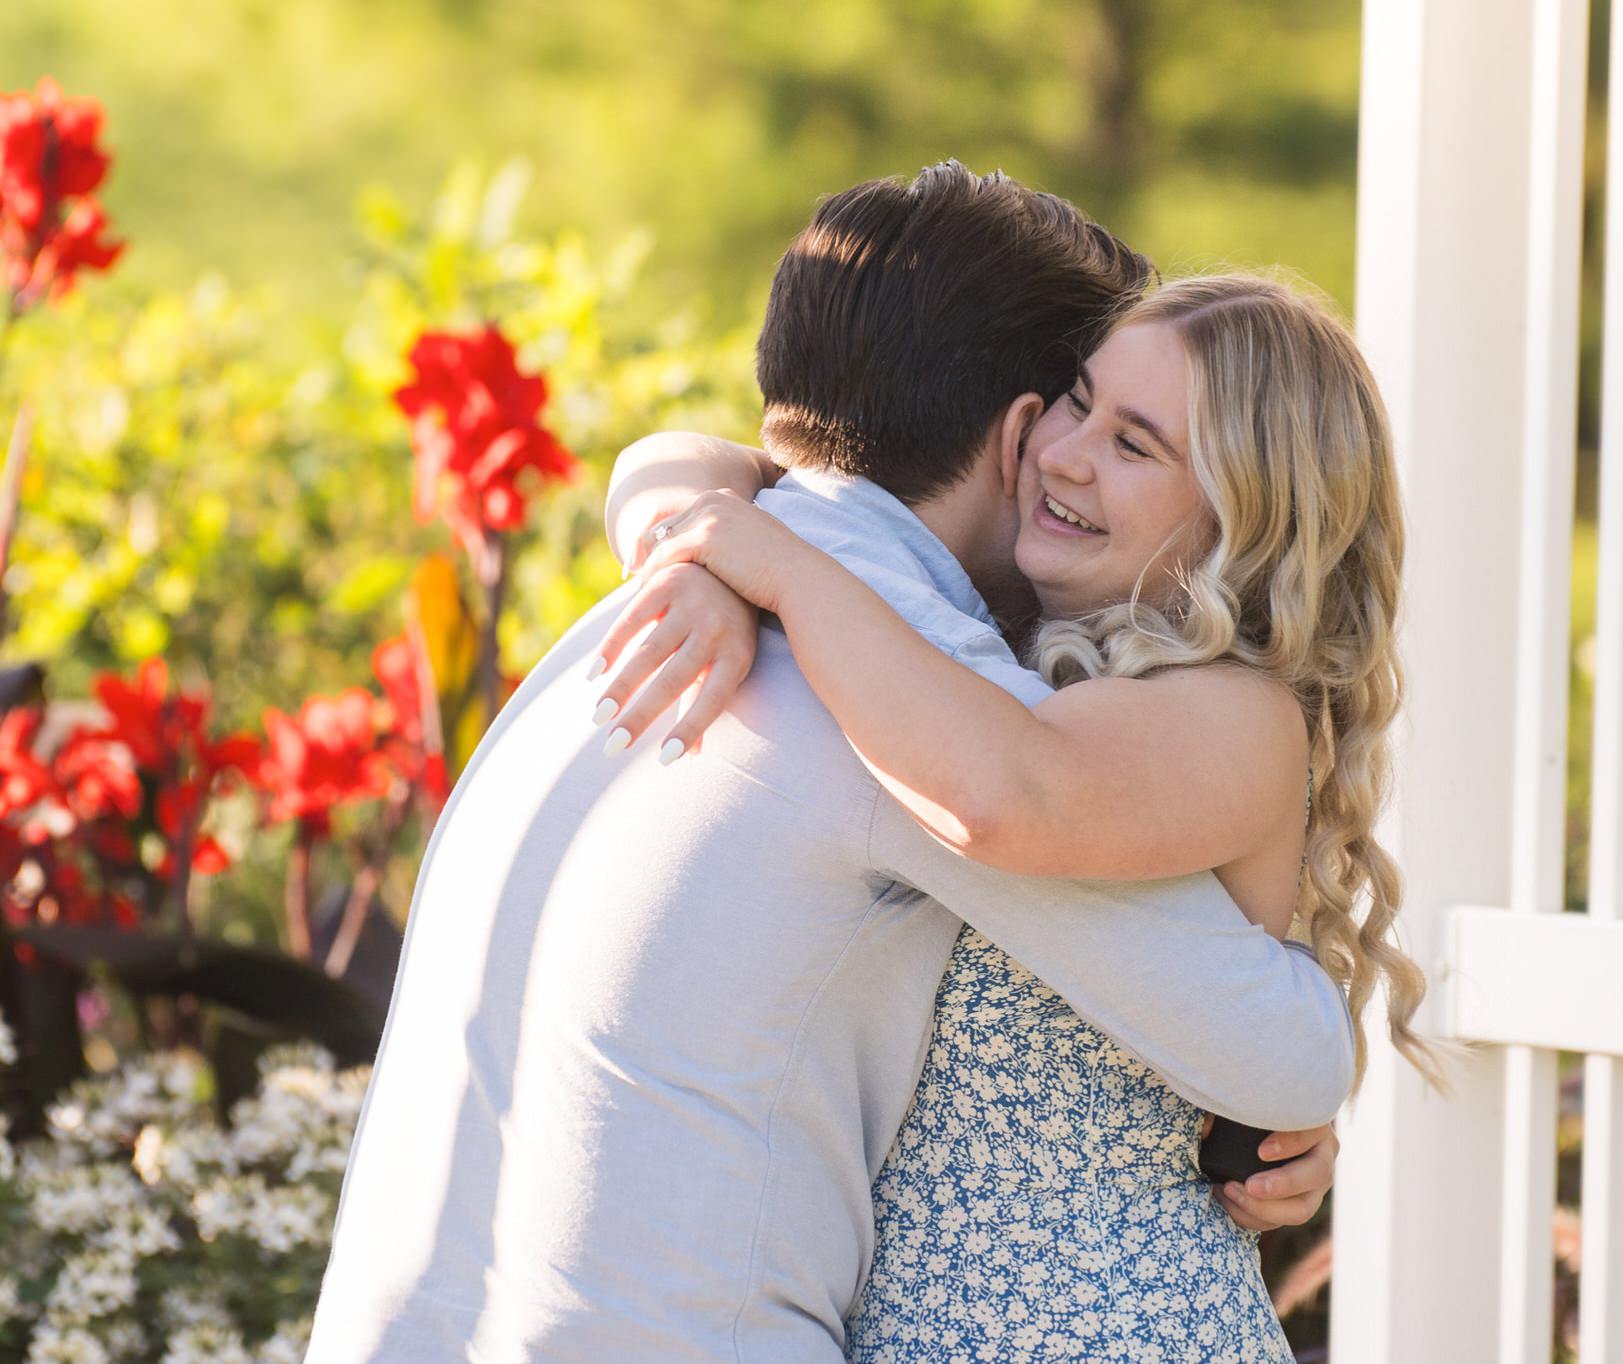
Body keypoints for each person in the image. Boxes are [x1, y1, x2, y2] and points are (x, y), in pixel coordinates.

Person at [306, 165, 1354, 1364]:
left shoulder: (622, 623)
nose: (1078, 454)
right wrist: (1283, 1123)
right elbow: (1282, 1046)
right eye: (1078, 407)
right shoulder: (908, 708)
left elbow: (693, 463)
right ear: (1024, 438)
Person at [593, 273, 1443, 1360]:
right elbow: (702, 458)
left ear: (1249, 517)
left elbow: (1005, 795)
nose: (1065, 452)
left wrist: (780, 570)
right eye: (1077, 400)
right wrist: (698, 555)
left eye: (1136, 446)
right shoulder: (995, 655)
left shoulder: (1238, 716)